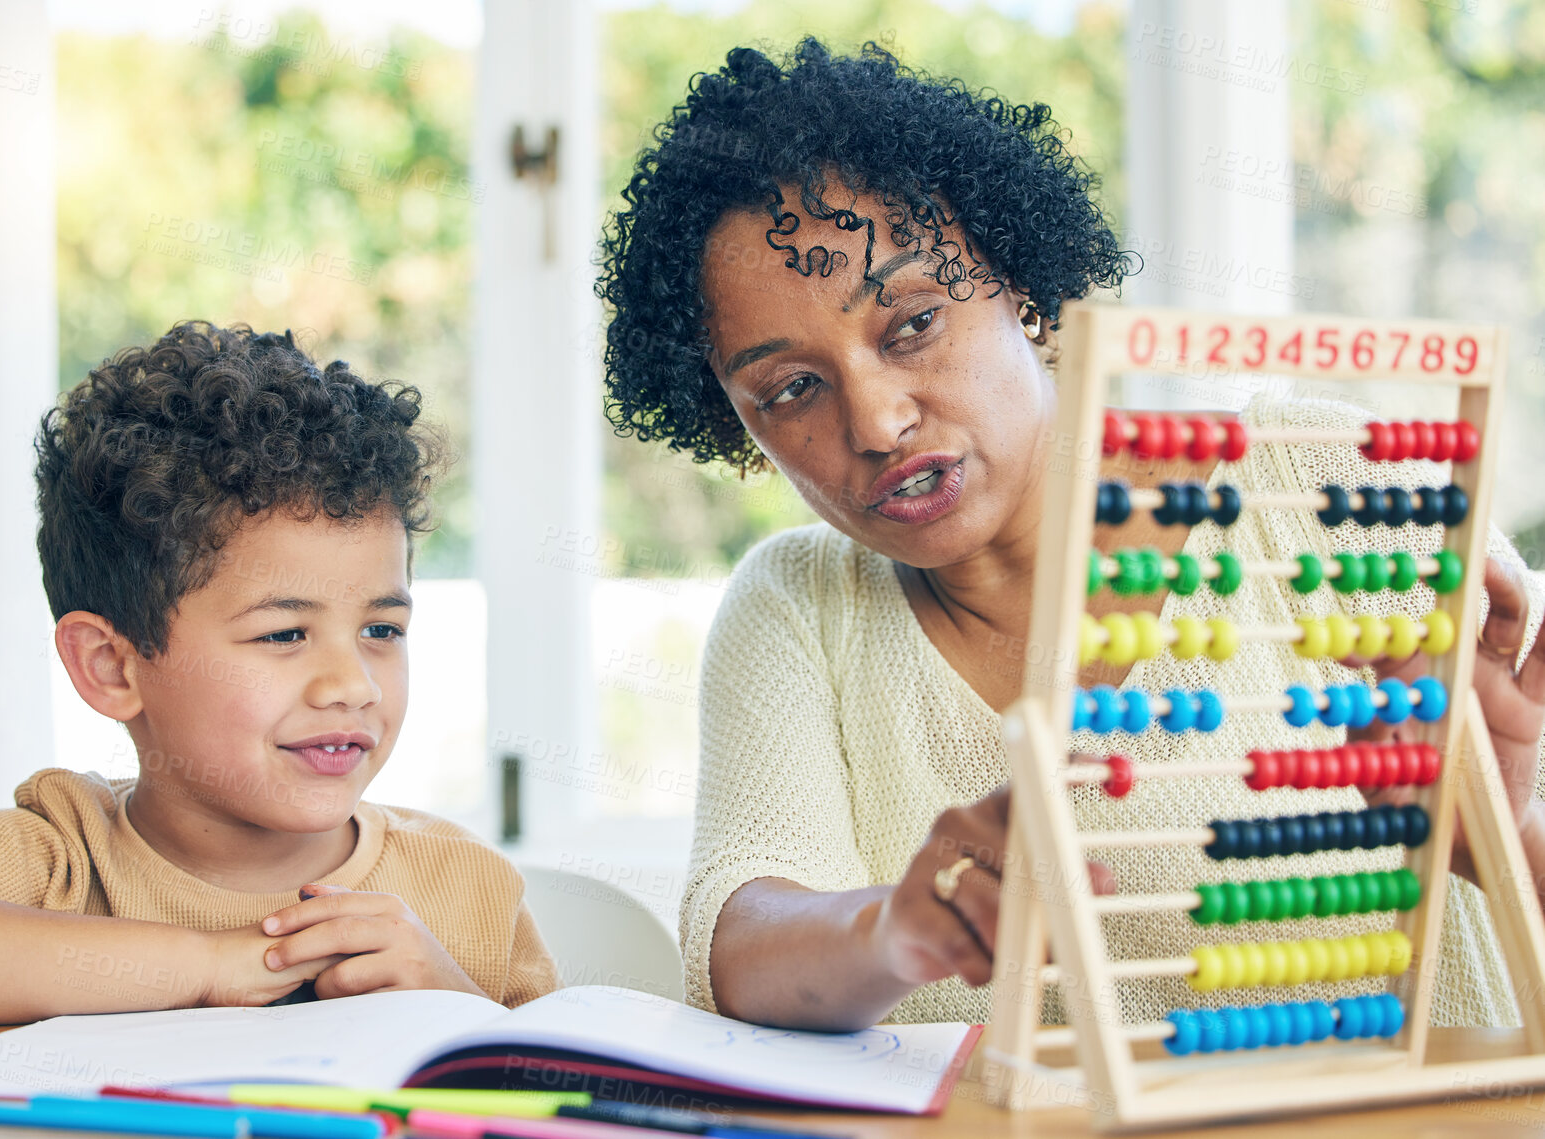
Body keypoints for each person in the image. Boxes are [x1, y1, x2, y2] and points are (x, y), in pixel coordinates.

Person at [596, 39, 1545, 1032]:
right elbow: (743, 940)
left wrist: (1507, 824)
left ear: (1020, 288)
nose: (875, 423)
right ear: (737, 431)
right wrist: (892, 928)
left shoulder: (1331, 489)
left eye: (911, 322)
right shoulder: (795, 605)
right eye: (789, 388)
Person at [0, 322, 557, 1026]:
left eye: (381, 629)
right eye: (285, 632)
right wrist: (215, 963)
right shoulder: (60, 857)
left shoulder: (468, 891)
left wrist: (455, 1005)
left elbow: (575, 1098)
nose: (352, 684)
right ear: (111, 666)